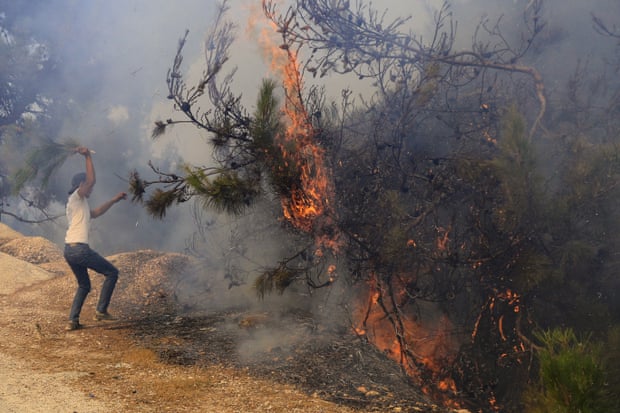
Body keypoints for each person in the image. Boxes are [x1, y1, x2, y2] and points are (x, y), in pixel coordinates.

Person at [63, 146, 127, 331]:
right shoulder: (76, 197)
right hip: (79, 249)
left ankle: (72, 321)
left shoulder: (79, 204)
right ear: (80, 185)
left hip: (70, 249)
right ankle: (101, 311)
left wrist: (114, 200)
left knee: (84, 285)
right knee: (112, 273)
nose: (91, 188)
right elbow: (92, 180)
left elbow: (96, 213)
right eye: (88, 186)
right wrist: (88, 156)